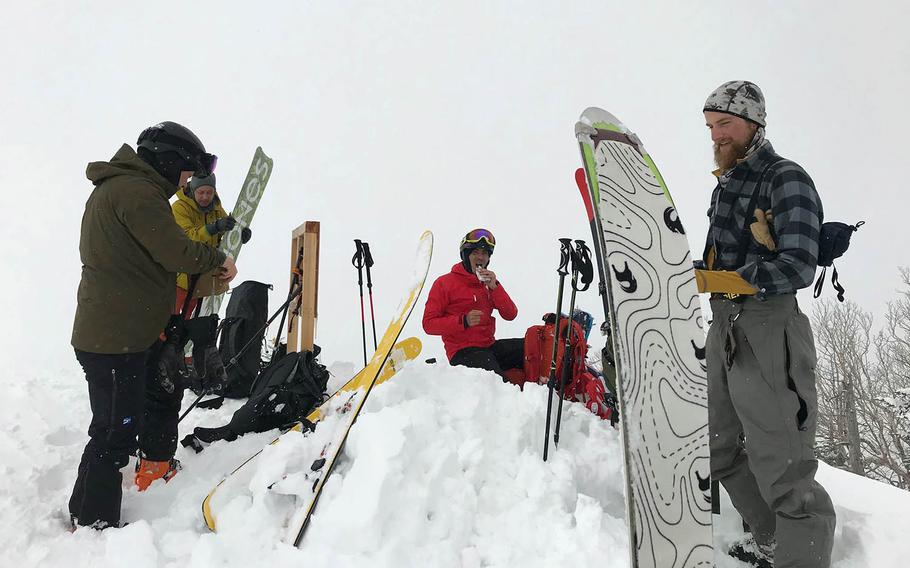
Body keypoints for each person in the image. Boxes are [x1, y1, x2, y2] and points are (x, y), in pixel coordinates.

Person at [69, 121, 237, 529]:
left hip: (116, 334)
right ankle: (95, 523)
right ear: (168, 161)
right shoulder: (137, 192)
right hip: (114, 341)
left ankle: (83, 510)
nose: (186, 181)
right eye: (186, 170)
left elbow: (145, 263)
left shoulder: (121, 188)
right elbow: (174, 250)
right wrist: (217, 259)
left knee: (112, 429)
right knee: (114, 434)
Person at [695, 81, 836, 568]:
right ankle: (774, 541)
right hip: (724, 324)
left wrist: (732, 278)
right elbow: (722, 259)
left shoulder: (785, 176)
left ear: (754, 123)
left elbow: (799, 265)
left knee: (784, 465)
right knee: (718, 447)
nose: (716, 135)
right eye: (711, 127)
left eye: (725, 124)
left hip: (768, 325)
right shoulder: (726, 185)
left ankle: (805, 558)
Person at [422, 228, 521, 379]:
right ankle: (510, 394)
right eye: (475, 253)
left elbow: (510, 314)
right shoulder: (444, 283)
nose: (480, 257)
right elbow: (428, 324)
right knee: (495, 379)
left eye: (485, 253)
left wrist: (495, 287)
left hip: (489, 346)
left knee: (532, 346)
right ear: (466, 255)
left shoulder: (488, 284)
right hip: (462, 352)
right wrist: (463, 321)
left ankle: (551, 389)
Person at [170, 172, 251, 316]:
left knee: (190, 322)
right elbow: (187, 239)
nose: (205, 197)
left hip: (202, 280)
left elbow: (227, 231)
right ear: (193, 190)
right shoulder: (179, 207)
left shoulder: (216, 209)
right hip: (179, 278)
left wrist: (240, 234)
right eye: (201, 192)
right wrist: (213, 227)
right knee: (169, 320)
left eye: (209, 192)